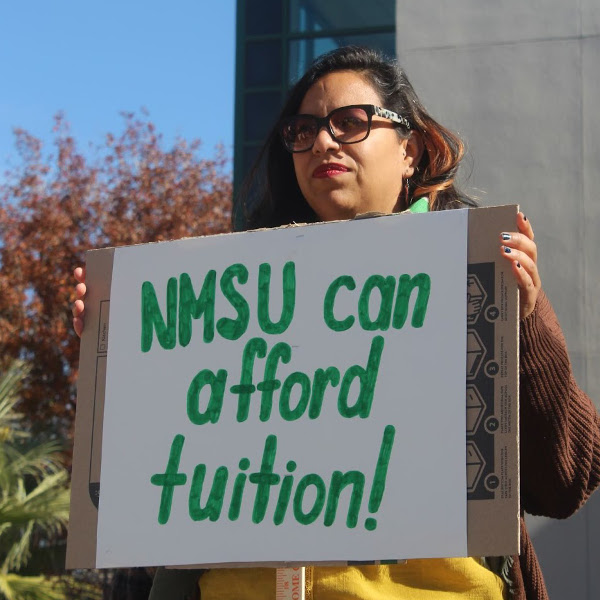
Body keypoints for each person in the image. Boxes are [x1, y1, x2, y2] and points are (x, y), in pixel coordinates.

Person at [73, 46, 600, 600]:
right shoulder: (224, 300)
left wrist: (525, 325)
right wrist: (117, 351)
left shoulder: (477, 278)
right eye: (302, 131)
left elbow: (564, 484)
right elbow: (155, 481)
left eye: (349, 123)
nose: (322, 141)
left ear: (410, 149)